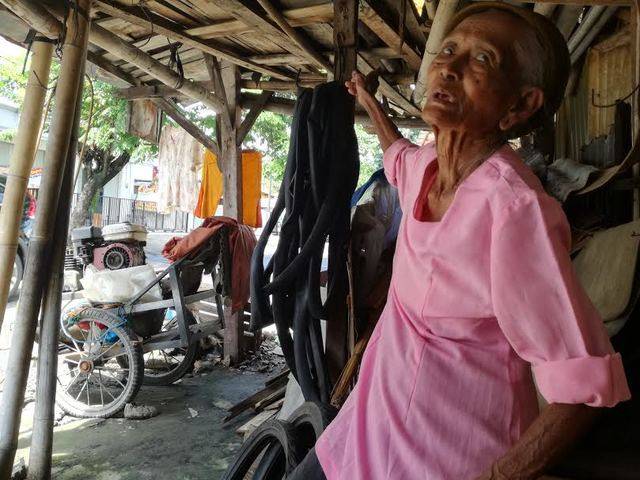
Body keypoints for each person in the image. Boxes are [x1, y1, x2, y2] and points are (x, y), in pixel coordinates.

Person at [287, 2, 631, 480]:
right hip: (365, 435)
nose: (447, 65)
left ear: (520, 106)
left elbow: (583, 384)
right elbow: (395, 155)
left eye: (482, 59)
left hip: (444, 461)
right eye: (448, 50)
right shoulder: (429, 166)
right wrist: (367, 102)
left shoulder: (513, 211)